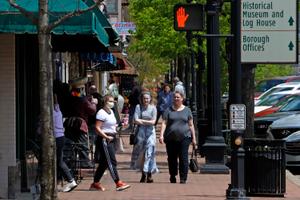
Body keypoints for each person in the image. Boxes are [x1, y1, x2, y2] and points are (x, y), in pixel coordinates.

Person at [90, 94, 131, 191]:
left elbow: (113, 125)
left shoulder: (111, 112)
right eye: (110, 101)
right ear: (105, 102)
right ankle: (118, 183)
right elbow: (97, 128)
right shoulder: (101, 113)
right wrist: (106, 136)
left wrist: (119, 126)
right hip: (105, 139)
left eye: (113, 101)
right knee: (112, 161)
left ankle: (95, 183)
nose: (112, 103)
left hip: (112, 137)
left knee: (104, 163)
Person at [159, 91, 196, 184]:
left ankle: (183, 178)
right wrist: (161, 135)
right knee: (172, 158)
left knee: (183, 158)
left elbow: (191, 125)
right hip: (171, 138)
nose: (176, 99)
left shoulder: (187, 110)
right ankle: (173, 175)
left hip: (185, 138)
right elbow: (164, 123)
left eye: (178, 97)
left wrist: (194, 138)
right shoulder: (168, 110)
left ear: (182, 99)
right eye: (174, 97)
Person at [65, 77, 97, 168]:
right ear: (81, 89)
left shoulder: (70, 98)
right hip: (79, 124)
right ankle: (84, 162)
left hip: (69, 123)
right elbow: (92, 110)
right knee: (82, 144)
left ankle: (71, 162)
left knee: (71, 144)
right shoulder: (81, 99)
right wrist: (94, 103)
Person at [130, 91, 158, 183]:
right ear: (141, 99)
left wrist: (142, 121)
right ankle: (143, 173)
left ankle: (148, 173)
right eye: (144, 98)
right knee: (142, 154)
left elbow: (153, 122)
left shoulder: (153, 108)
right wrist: (147, 122)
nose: (146, 100)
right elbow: (135, 120)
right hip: (141, 133)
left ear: (150, 99)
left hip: (150, 133)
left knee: (150, 152)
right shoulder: (138, 107)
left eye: (147, 98)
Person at [53, 94, 77, 192]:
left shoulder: (51, 112)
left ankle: (70, 180)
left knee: (59, 161)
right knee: (58, 160)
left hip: (57, 138)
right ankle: (60, 180)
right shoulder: (58, 111)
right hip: (61, 137)